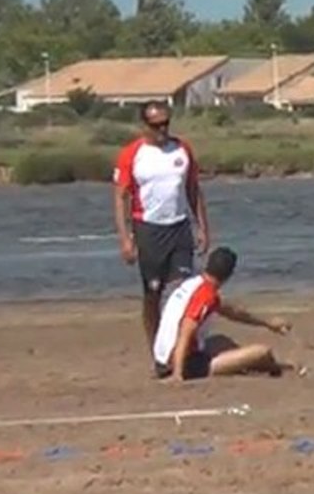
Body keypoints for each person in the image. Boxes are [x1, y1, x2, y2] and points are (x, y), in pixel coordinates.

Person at [113, 101, 211, 352]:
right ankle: (157, 349)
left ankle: (183, 347)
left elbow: (193, 190)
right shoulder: (132, 154)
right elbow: (121, 196)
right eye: (156, 125)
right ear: (145, 125)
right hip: (149, 229)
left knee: (182, 289)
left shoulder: (182, 149)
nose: (162, 130)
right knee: (153, 293)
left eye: (166, 124)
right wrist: (125, 238)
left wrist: (202, 228)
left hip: (179, 227)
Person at [153, 246, 292, 382]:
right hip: (182, 363)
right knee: (263, 352)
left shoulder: (193, 284)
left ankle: (239, 364)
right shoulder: (206, 295)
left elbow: (232, 312)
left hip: (161, 359)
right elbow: (186, 328)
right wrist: (178, 373)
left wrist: (267, 324)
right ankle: (267, 367)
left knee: (222, 341)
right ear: (229, 275)